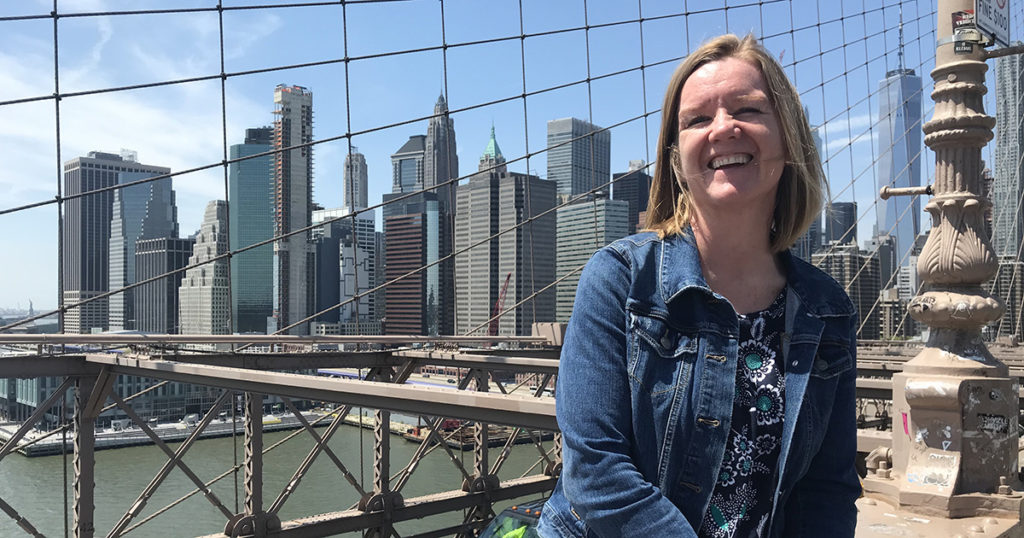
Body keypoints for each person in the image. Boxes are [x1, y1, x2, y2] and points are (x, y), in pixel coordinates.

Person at [537, 34, 860, 537]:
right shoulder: (620, 279)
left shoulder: (828, 309)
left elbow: (827, 489)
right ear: (675, 159)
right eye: (698, 119)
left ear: (788, 138)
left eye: (748, 110)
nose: (724, 128)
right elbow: (595, 469)